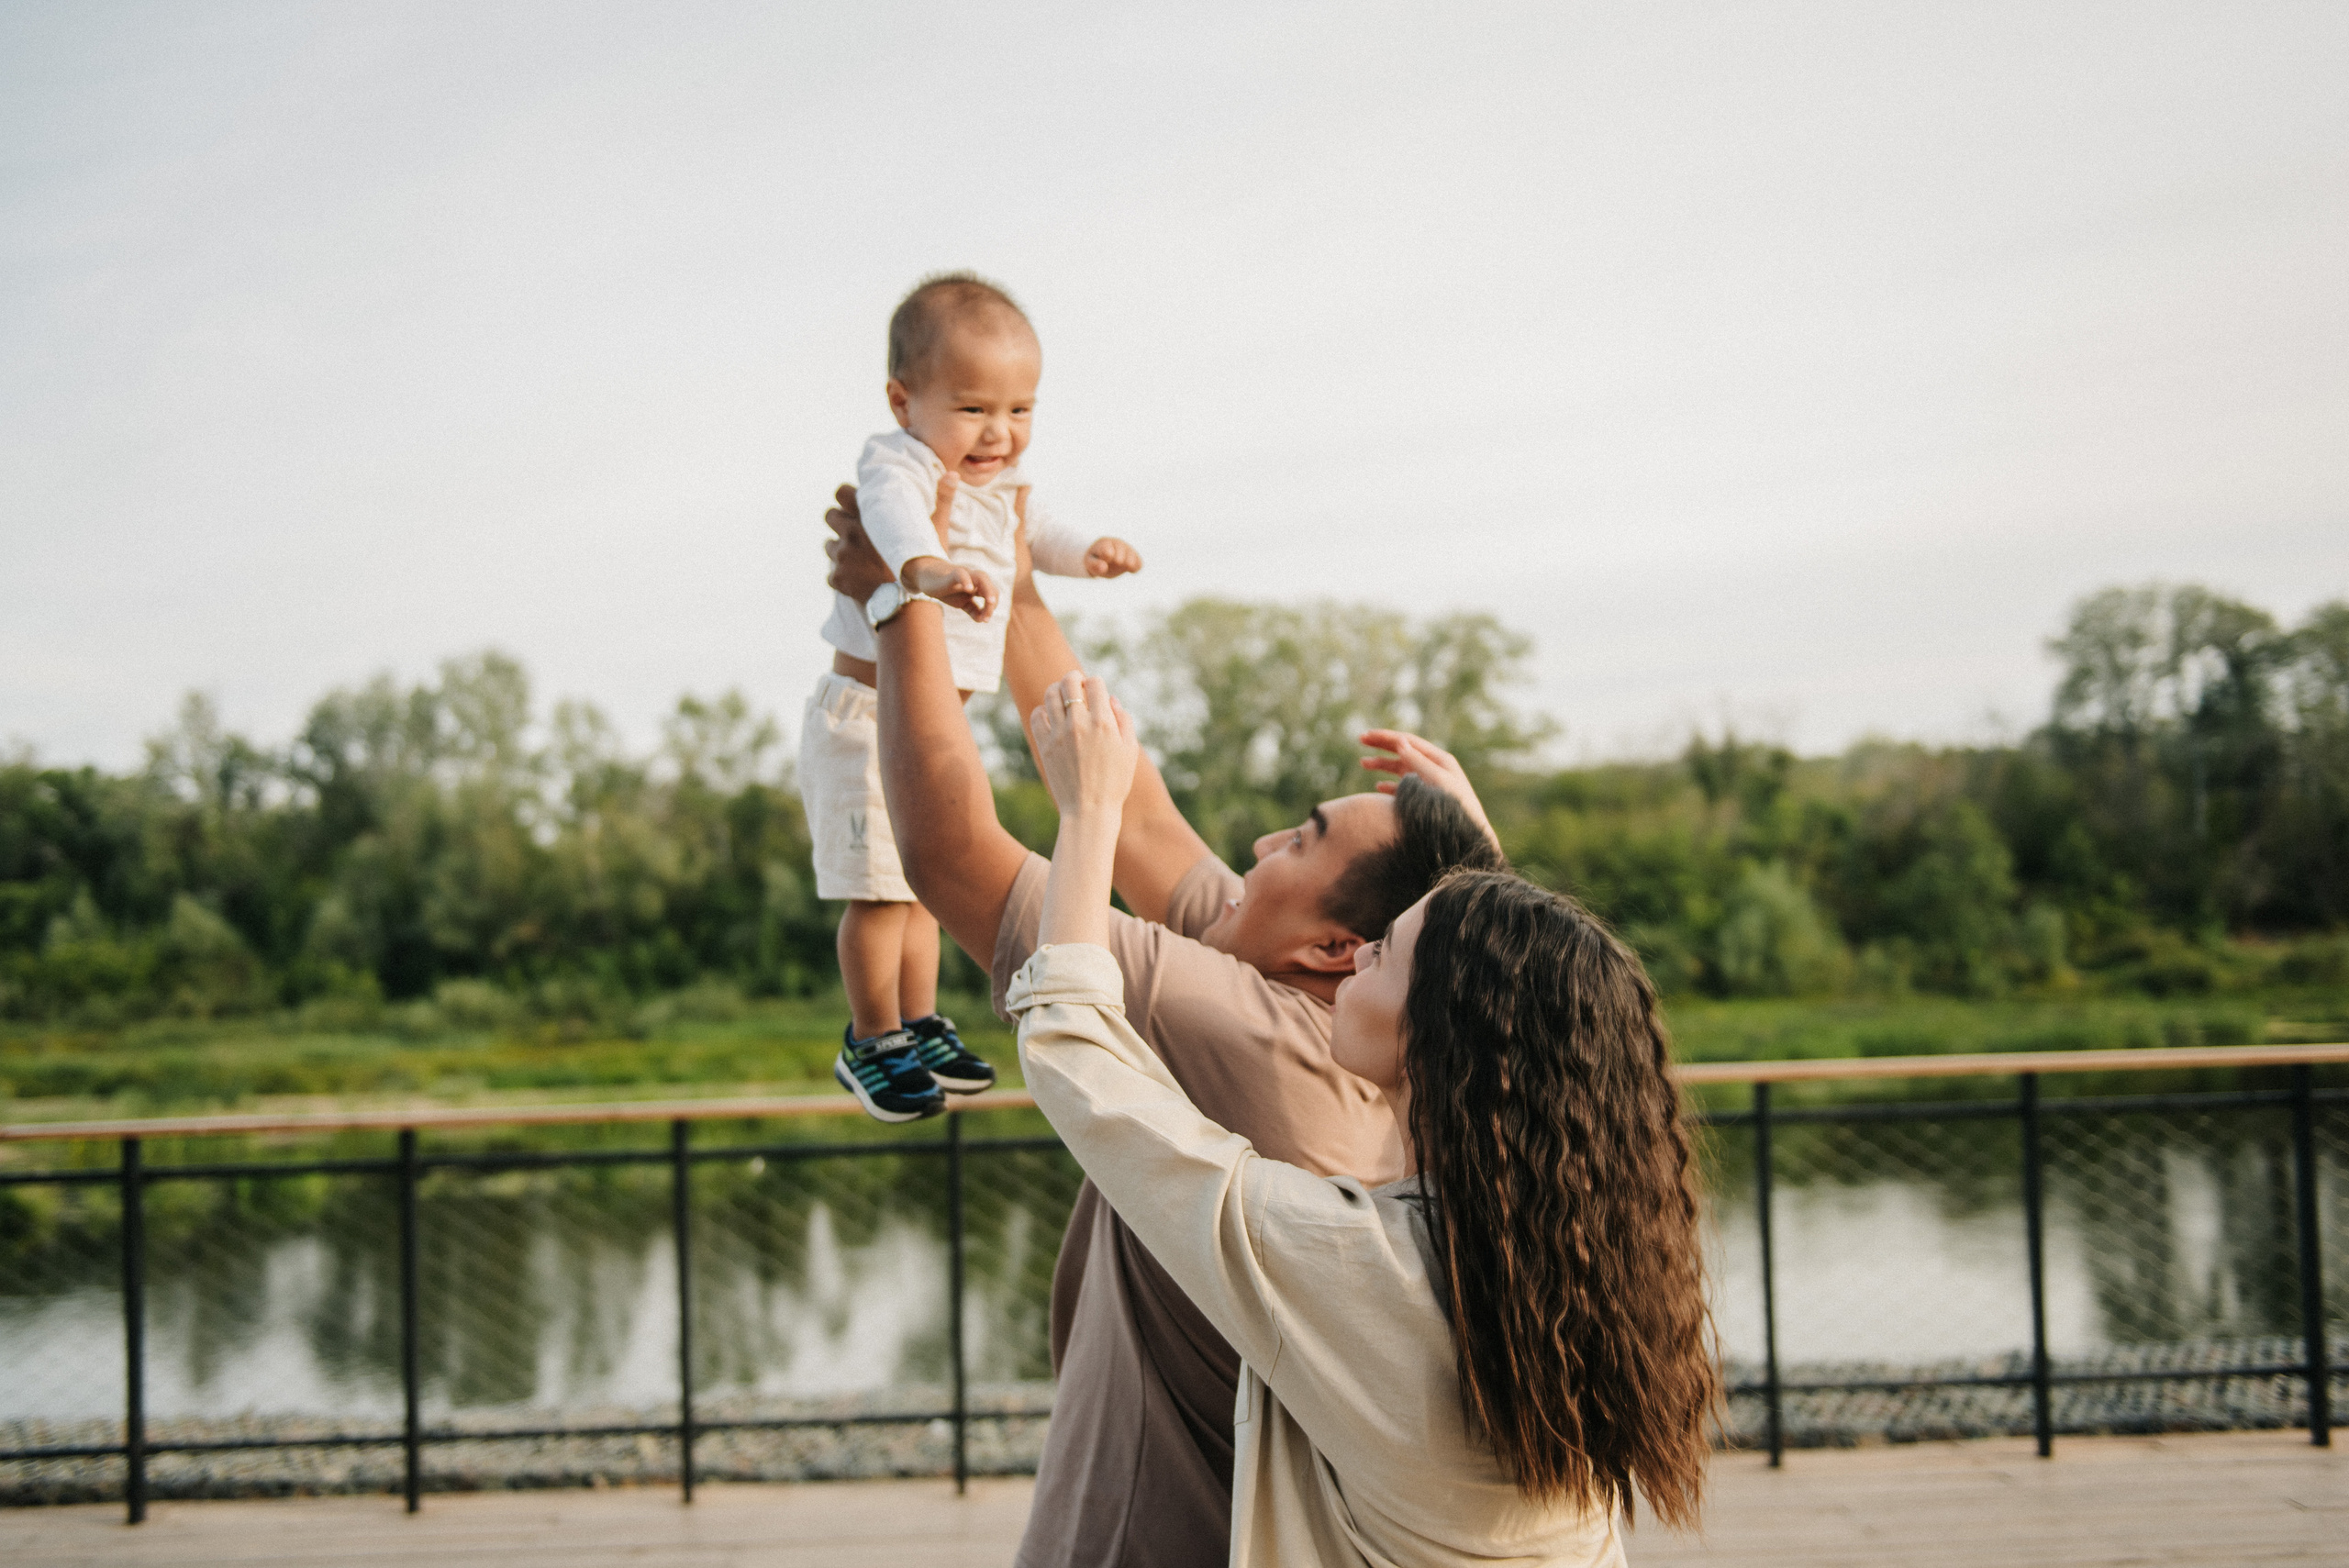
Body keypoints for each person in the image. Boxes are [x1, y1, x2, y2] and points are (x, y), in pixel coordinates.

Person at [823, 491, 1505, 1566]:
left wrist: (896, 604)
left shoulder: (1240, 1027)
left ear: (1338, 947)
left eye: (1302, 839)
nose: (1263, 842)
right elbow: (1144, 817)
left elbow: (949, 849)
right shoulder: (1365, 1024)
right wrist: (1014, 581)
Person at [1011, 669, 1719, 1566]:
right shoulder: (1574, 1263)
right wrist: (1474, 870)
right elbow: (1523, 1021)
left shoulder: (1357, 1270)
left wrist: (1087, 814)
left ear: (1434, 1031)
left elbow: (1078, 1059)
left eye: (1385, 951)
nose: (1356, 958)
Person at [804, 272, 1142, 1121]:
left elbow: (1034, 536)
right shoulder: (902, 464)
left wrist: (1087, 552)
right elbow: (890, 511)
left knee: (920, 885)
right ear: (904, 402)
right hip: (862, 722)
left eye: (1020, 409)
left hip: (924, 724)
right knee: (876, 893)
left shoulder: (998, 485)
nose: (1000, 432)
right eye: (973, 408)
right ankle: (871, 1035)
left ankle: (918, 1021)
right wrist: (923, 566)